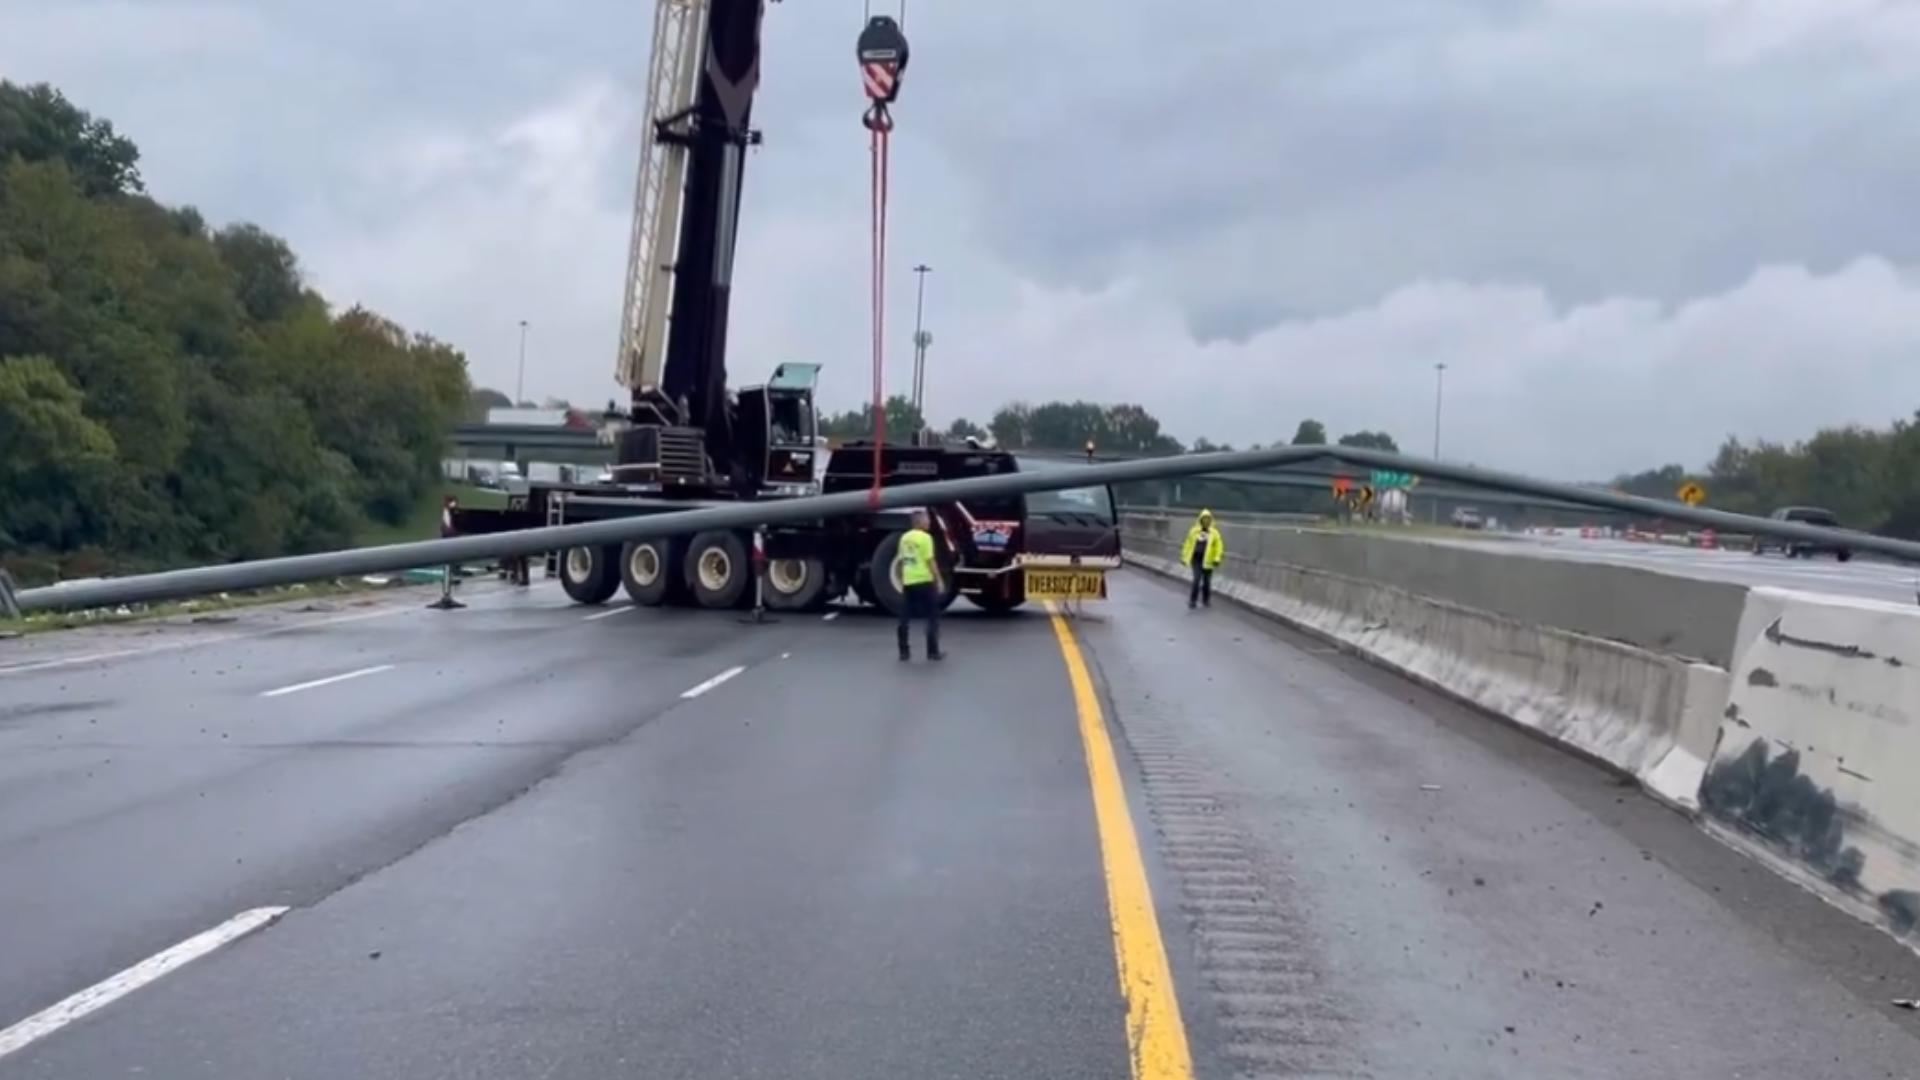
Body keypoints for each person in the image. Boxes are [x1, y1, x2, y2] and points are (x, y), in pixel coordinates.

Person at [897, 509, 945, 661]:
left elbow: (902, 561)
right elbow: (930, 561)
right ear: (920, 522)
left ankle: (903, 652)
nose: (929, 522)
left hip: (909, 581)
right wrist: (939, 579)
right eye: (927, 520)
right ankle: (933, 652)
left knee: (904, 618)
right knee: (932, 617)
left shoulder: (904, 538)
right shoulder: (926, 538)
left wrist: (902, 578)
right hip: (924, 580)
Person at [1181, 508, 1225, 609]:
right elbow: (1187, 544)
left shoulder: (1214, 533)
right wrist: (1184, 557)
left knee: (1206, 582)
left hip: (1209, 561)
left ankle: (1206, 600)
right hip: (1196, 559)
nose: (1206, 521)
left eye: (1208, 519)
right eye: (1204, 519)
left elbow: (1219, 546)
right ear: (1200, 519)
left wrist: (1217, 558)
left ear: (1210, 520)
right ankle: (1193, 601)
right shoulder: (1194, 531)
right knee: (1196, 580)